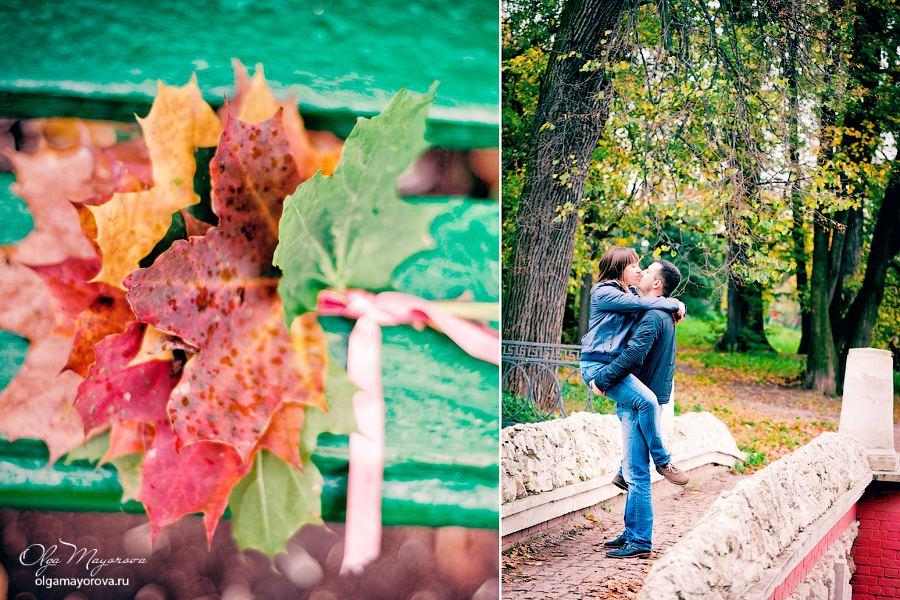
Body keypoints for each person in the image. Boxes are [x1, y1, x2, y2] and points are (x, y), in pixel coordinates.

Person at [589, 259, 685, 559]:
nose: (640, 273)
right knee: (631, 471)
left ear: (657, 284)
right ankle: (632, 532)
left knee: (637, 474)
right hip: (645, 394)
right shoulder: (662, 311)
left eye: (648, 271)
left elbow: (633, 355)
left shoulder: (654, 315)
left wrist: (602, 380)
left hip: (639, 399)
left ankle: (640, 541)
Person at [580, 248, 688, 492]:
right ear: (619, 269)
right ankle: (662, 460)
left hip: (612, 367)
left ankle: (622, 472)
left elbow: (644, 312)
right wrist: (673, 302)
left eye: (643, 267)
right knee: (647, 402)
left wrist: (675, 305)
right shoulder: (603, 291)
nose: (639, 271)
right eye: (634, 266)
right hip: (596, 365)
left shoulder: (629, 293)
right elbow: (640, 303)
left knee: (642, 411)